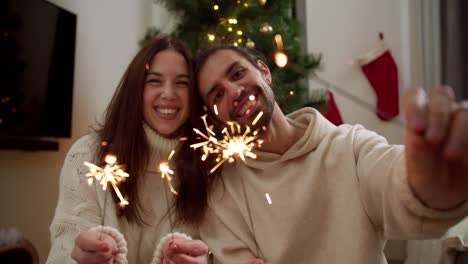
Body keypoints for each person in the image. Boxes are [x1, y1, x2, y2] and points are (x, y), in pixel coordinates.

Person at [175, 44, 468, 263]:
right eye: (217, 95)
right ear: (216, 118)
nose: (234, 92)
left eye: (238, 74)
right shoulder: (223, 192)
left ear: (264, 72)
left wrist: (429, 186)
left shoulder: (349, 146)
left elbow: (398, 186)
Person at [47, 36, 208, 264]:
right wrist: (79, 258)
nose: (169, 93)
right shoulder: (87, 157)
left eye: (183, 83)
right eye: (154, 81)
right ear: (136, 88)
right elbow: (62, 251)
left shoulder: (208, 165)